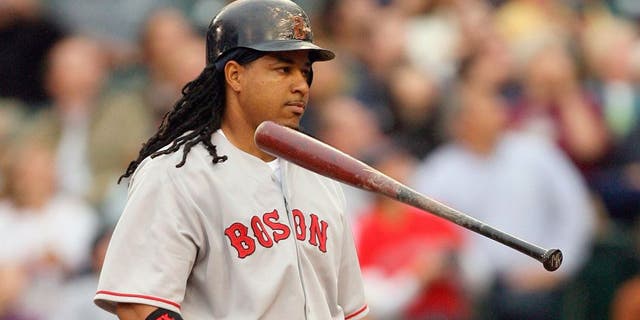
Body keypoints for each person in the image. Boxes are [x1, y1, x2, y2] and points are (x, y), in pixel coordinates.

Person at [94, 1, 369, 320]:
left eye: (305, 72)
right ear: (235, 75)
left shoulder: (320, 175)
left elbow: (351, 310)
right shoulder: (176, 172)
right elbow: (140, 305)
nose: (301, 85)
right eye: (283, 69)